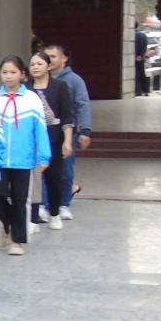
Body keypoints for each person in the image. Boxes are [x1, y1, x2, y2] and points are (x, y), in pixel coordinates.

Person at [0, 56, 51, 256]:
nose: (8, 76)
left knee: (20, 199)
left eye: (13, 72)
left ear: (22, 75)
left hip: (23, 159)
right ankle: (8, 224)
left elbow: (40, 129)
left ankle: (17, 241)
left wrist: (44, 156)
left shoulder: (31, 99)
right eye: (4, 72)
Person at [28, 51, 77, 231]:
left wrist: (68, 141)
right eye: (32, 64)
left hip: (53, 138)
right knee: (33, 181)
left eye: (39, 64)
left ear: (48, 66)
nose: (35, 67)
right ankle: (33, 218)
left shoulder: (60, 86)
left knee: (53, 178)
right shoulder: (26, 89)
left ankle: (54, 213)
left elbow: (67, 116)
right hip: (31, 140)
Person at [45, 45, 91, 217]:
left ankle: (64, 203)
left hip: (66, 131)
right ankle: (46, 203)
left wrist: (85, 130)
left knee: (65, 169)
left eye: (53, 56)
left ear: (64, 58)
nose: (49, 60)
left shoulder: (74, 80)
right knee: (44, 168)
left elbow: (83, 105)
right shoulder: (41, 80)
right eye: (46, 56)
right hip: (45, 132)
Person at [134, 27, 151, 97]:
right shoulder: (143, 35)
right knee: (142, 73)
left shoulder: (133, 35)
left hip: (134, 57)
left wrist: (136, 55)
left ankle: (138, 91)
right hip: (141, 57)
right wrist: (141, 55)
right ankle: (146, 90)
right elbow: (145, 46)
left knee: (136, 74)